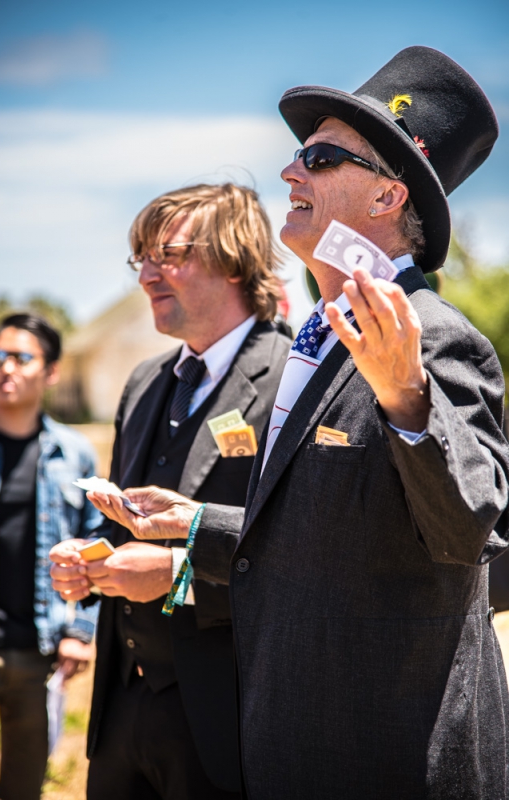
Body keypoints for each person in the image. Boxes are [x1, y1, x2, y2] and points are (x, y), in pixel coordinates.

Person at [83, 47, 509, 799]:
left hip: (385, 759)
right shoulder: (319, 339)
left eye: (319, 157)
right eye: (297, 155)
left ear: (387, 196)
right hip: (290, 746)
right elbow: (329, 538)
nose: (289, 172)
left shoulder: (435, 337)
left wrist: (408, 397)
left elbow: (468, 531)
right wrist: (196, 523)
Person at [49, 183, 291, 799]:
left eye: (169, 255)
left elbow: (305, 552)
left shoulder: (293, 382)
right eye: (142, 259)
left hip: (228, 718)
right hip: (121, 707)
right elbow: (119, 521)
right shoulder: (146, 381)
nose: (146, 276)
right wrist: (88, 560)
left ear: (234, 260)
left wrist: (178, 575)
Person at [0, 313, 101, 800]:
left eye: (21, 357)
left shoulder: (75, 454)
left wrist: (81, 631)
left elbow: (94, 545)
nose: (5, 367)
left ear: (50, 372)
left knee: (24, 788)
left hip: (40, 654)